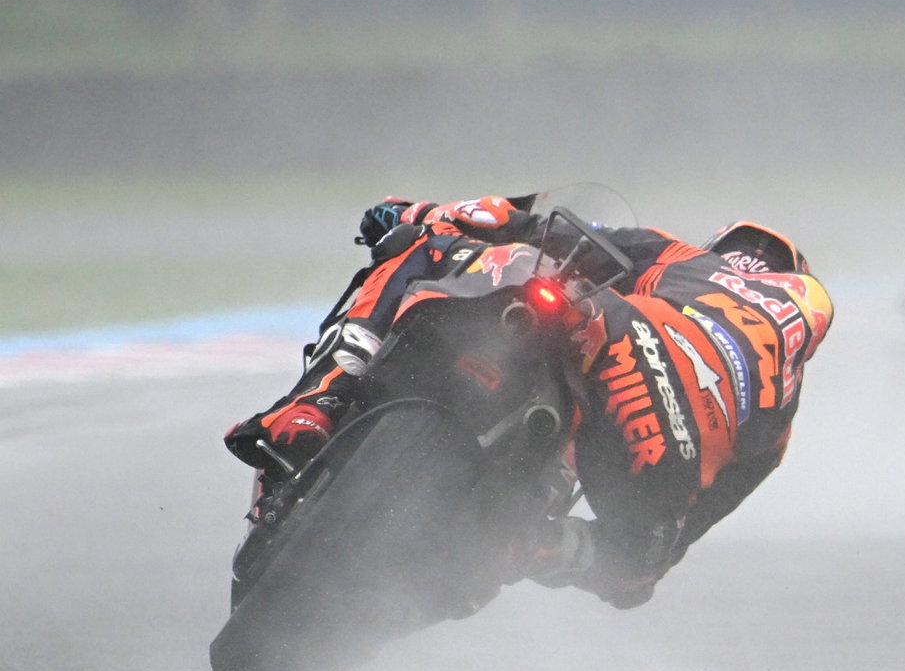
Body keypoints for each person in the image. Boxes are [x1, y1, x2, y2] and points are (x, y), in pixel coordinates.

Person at [224, 193, 833, 611]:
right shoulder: (776, 420)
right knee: (630, 559)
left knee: (422, 248)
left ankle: (315, 402)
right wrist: (565, 551)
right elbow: (652, 562)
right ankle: (512, 544)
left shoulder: (684, 261)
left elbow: (531, 229)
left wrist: (412, 212)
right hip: (662, 453)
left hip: (620, 340)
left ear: (726, 250)